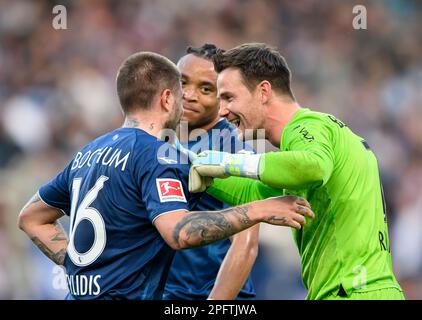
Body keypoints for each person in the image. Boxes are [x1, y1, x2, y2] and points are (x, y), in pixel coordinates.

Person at [17, 51, 314, 300]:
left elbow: (30, 217)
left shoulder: (88, 152)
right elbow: (179, 232)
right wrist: (260, 209)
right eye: (182, 93)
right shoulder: (156, 154)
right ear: (167, 99)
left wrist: (75, 262)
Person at [189, 43, 404, 300]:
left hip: (352, 291)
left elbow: (313, 166)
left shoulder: (309, 127)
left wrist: (227, 163)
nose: (222, 111)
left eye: (229, 98)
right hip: (362, 290)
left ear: (264, 91)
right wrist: (203, 173)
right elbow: (257, 193)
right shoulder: (315, 141)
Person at [163, 44, 258, 300]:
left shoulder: (233, 151)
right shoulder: (160, 138)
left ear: (224, 97)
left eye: (206, 89)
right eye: (182, 83)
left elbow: (245, 245)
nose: (189, 95)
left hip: (204, 295)